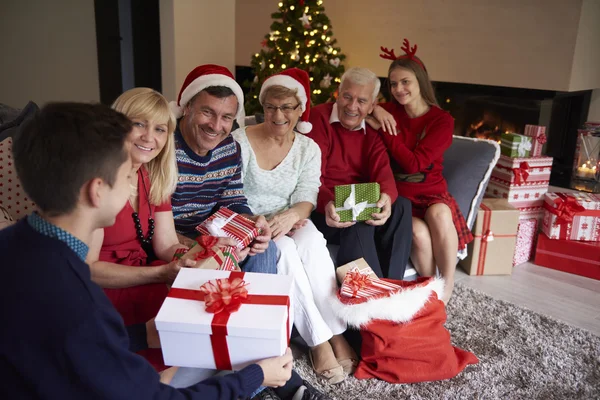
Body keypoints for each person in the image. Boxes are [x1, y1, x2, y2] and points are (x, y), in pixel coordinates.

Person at [1, 102, 293, 399]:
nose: (134, 182)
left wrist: (141, 334)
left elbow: (79, 346)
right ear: (97, 191)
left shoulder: (16, 245)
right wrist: (255, 376)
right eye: (127, 176)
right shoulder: (80, 305)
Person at [232, 68, 356, 384]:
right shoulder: (240, 141)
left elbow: (306, 196)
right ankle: (318, 341)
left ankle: (336, 331)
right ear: (262, 107)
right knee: (284, 249)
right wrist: (263, 224)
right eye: (271, 106)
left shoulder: (307, 148)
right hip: (250, 224)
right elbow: (232, 194)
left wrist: (290, 216)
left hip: (291, 217)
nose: (278, 114)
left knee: (312, 243)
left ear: (300, 110)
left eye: (287, 107)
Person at [86, 88, 197, 379]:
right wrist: (161, 274)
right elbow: (89, 270)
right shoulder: (97, 178)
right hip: (100, 286)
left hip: (139, 274)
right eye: (139, 124)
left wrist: (201, 254)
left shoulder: (151, 175)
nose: (150, 137)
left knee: (191, 293)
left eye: (160, 129)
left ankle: (160, 387)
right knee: (172, 298)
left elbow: (166, 245)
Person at [370, 39, 474, 304]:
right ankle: (432, 287)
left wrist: (385, 130)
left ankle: (448, 285)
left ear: (420, 81)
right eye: (393, 84)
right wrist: (376, 108)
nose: (399, 89)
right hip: (401, 197)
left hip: (430, 194)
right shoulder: (390, 110)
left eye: (405, 82)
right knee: (417, 233)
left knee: (440, 214)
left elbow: (414, 164)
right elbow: (357, 103)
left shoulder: (441, 120)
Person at [307, 67, 413, 280]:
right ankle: (366, 294)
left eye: (362, 101)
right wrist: (328, 202)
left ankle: (392, 285)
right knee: (359, 218)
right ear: (338, 93)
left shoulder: (372, 129)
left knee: (401, 205)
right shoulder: (318, 118)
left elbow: (383, 173)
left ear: (373, 106)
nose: (352, 106)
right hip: (324, 209)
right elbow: (310, 178)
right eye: (347, 96)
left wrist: (386, 198)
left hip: (358, 202)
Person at [169, 64, 277, 274]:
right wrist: (204, 246)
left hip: (214, 233)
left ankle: (257, 306)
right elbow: (151, 225)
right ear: (188, 107)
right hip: (172, 239)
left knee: (263, 248)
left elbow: (232, 201)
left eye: (226, 117)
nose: (216, 126)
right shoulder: (164, 147)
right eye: (207, 112)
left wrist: (251, 223)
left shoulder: (229, 148)